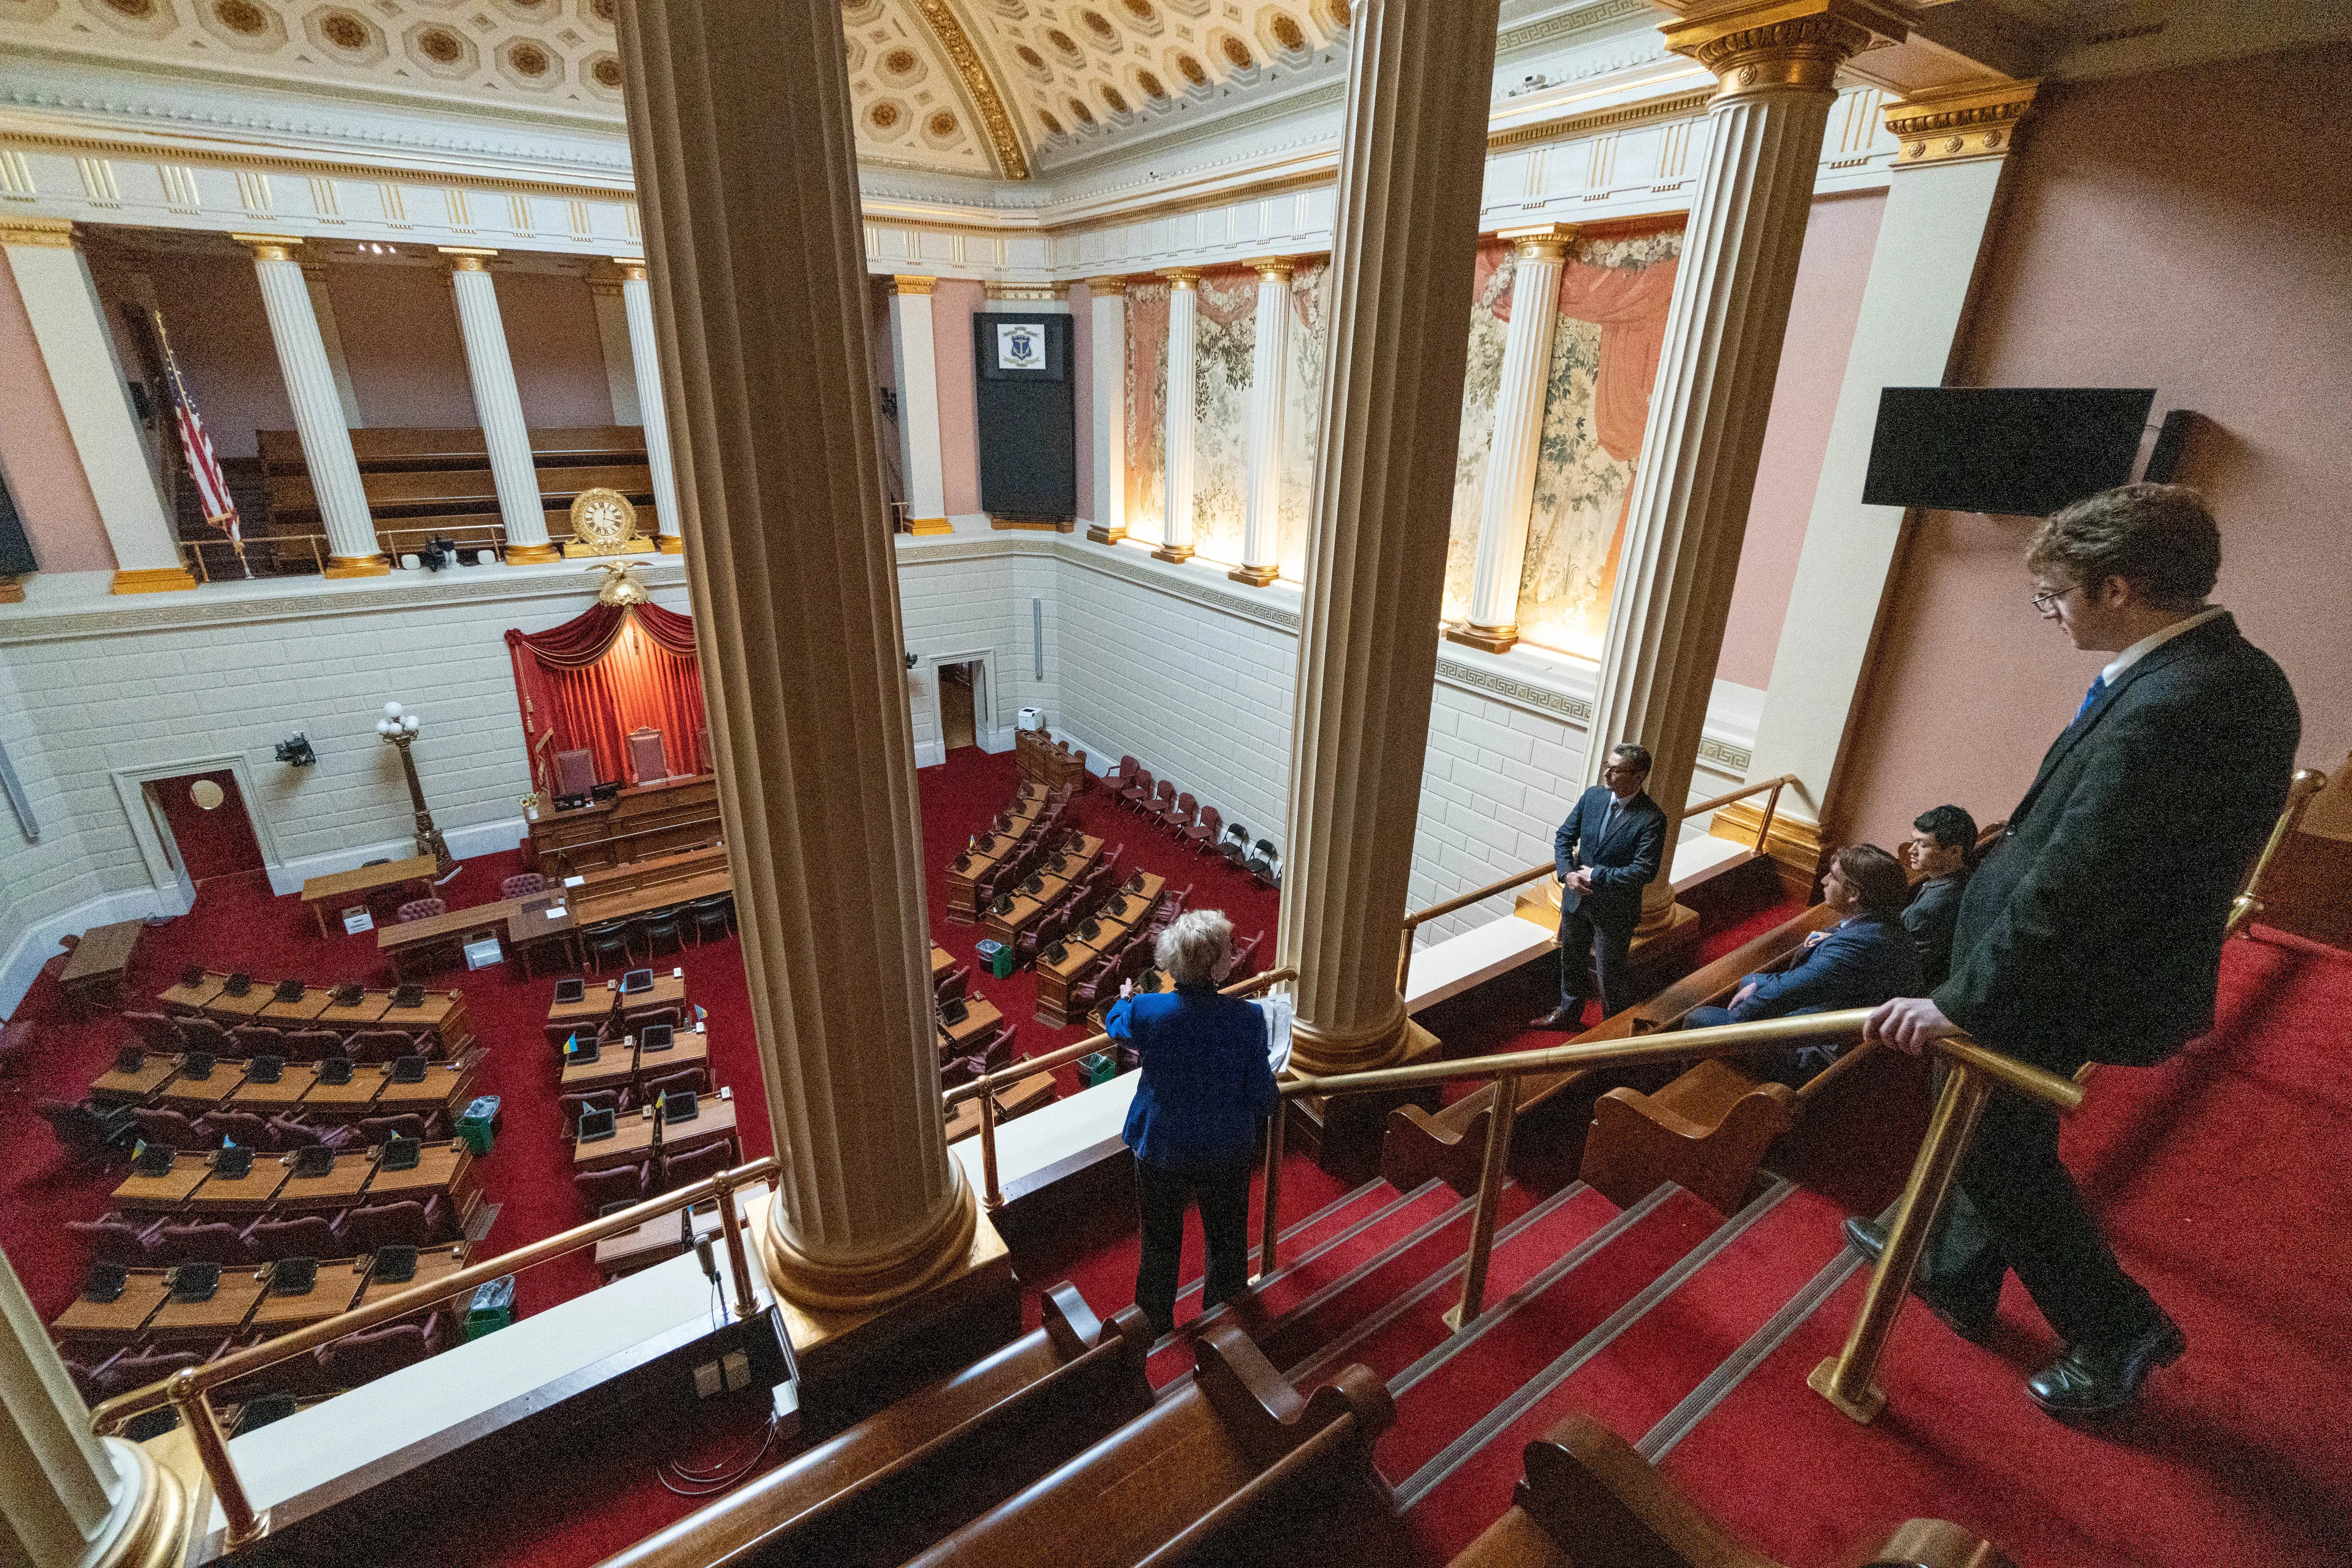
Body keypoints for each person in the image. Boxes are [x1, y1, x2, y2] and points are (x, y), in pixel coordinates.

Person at [1863, 483, 2299, 1419]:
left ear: (2118, 586)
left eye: (2054, 596)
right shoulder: (2237, 674)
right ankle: (1951, 1272)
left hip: (2054, 978)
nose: (2049, 615)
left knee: (1992, 1150)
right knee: (1990, 1133)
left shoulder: (2171, 706)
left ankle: (2114, 1327)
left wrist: (1962, 999)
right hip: (2082, 962)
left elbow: (2080, 881)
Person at [1106, 908, 1279, 1338]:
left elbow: (1116, 1025)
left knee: (1160, 1242)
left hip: (1160, 1145)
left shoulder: (1148, 1010)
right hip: (1225, 1147)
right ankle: (1223, 1326)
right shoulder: (1248, 1018)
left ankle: (1154, 1327)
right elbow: (1263, 1096)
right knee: (1226, 1237)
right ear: (1217, 963)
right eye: (1230, 950)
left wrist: (1124, 999)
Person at [1684, 844, 1921, 1086]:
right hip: (1839, 1029)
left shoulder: (1858, 945)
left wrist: (1747, 996)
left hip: (1816, 1058)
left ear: (1854, 894)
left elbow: (1781, 995)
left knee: (1700, 1019)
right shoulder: (1883, 927)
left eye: (1834, 877)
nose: (1824, 880)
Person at [1530, 743, 1667, 1031]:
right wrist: (1567, 874)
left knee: (1609, 975)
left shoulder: (1652, 819)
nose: (1607, 774)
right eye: (1608, 766)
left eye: (1616, 770)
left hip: (1614, 910)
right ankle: (1568, 1015)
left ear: (1639, 776)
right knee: (1572, 962)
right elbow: (1564, 837)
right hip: (1576, 899)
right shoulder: (1593, 797)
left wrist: (1598, 875)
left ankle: (1613, 1031)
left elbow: (1645, 871)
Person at [1901, 804, 1977, 990]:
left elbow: (1896, 954)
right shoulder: (1960, 878)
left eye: (1923, 844)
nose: (1911, 851)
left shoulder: (1938, 900)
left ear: (1954, 852)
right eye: (1914, 841)